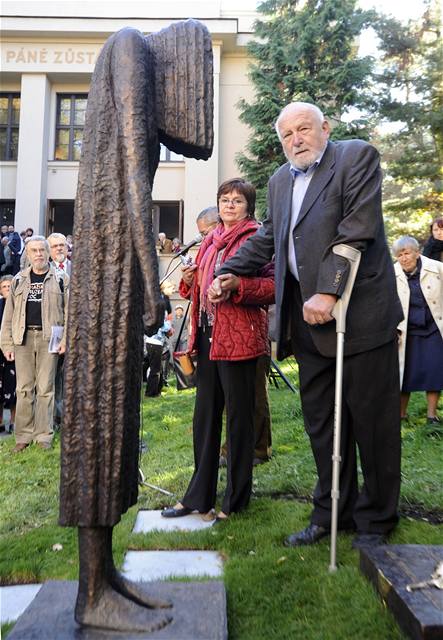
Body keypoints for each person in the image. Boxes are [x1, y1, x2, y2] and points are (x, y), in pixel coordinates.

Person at [211, 102, 403, 548]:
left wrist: (330, 290)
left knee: (372, 423)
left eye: (303, 129)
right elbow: (267, 237)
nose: (295, 140)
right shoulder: (280, 181)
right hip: (309, 325)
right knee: (322, 422)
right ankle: (332, 511)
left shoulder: (355, 157)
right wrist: (232, 272)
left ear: (325, 128)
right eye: (286, 135)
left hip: (360, 317)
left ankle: (377, 518)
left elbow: (357, 229)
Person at [161, 178, 274, 523]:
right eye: (225, 200)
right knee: (205, 419)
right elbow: (195, 289)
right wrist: (190, 278)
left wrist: (239, 286)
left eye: (237, 201)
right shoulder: (209, 241)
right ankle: (199, 497)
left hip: (240, 340)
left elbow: (273, 286)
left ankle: (235, 500)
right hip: (209, 337)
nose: (229, 206)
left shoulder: (257, 238)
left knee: (239, 422)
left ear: (248, 206)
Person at [0, 236, 69, 452]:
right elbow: (8, 316)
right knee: (24, 389)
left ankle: (43, 436)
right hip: (23, 340)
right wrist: (6, 344)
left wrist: (66, 339)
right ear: (27, 255)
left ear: (48, 253)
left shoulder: (61, 279)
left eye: (42, 250)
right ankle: (23, 436)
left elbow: (70, 313)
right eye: (34, 251)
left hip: (50, 339)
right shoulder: (18, 280)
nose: (38, 254)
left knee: (46, 389)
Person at [393, 236, 443, 430]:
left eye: (406, 253)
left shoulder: (436, 268)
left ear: (416, 252)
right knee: (404, 374)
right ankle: (400, 415)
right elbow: (387, 304)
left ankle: (432, 416)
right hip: (407, 330)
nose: (404, 258)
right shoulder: (391, 273)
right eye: (399, 255)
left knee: (435, 371)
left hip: (433, 328)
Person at [0, 276, 16, 433]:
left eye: (10, 286)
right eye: (4, 286)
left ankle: (13, 421)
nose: (7, 289)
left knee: (13, 388)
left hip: (14, 351)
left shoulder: (18, 305)